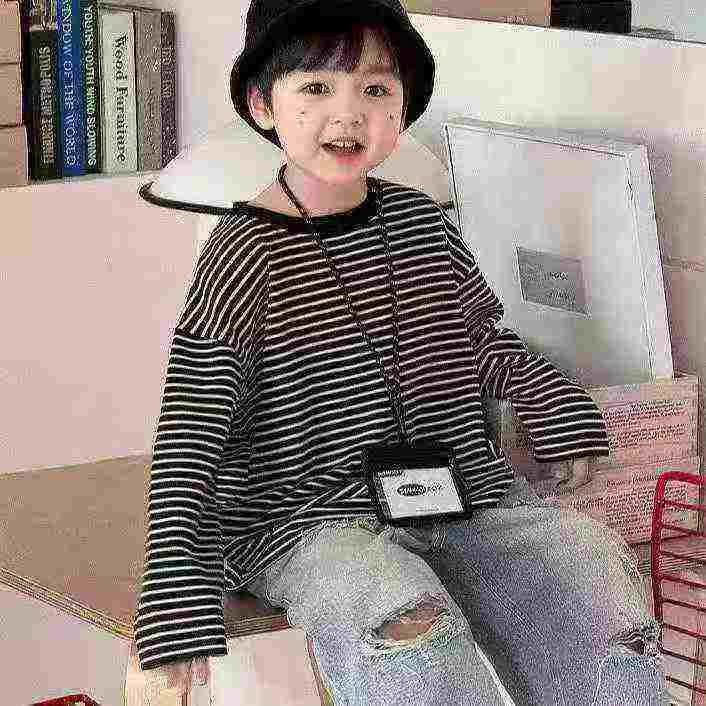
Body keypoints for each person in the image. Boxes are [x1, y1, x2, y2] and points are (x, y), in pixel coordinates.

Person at [134, 0, 668, 703]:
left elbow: (478, 338)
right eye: (316, 87)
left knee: (595, 582)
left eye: (375, 89)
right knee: (401, 620)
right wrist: (173, 591)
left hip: (460, 490)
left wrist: (552, 400)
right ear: (263, 105)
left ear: (404, 106)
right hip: (310, 514)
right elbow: (192, 425)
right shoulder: (246, 254)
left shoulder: (418, 221)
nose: (348, 114)